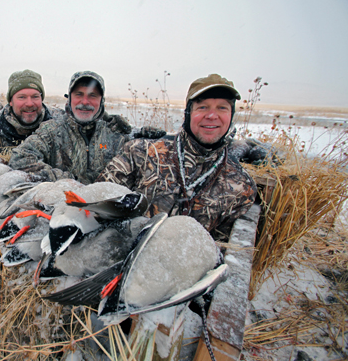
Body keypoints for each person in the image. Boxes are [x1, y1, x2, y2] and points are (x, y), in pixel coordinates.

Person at [97, 73, 257, 240]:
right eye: (203, 107)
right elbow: (97, 203)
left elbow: (219, 249)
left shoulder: (241, 187)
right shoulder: (139, 153)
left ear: (231, 115)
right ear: (188, 112)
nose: (211, 115)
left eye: (222, 108)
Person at [9, 71, 134, 184]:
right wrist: (70, 181)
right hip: (63, 204)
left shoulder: (117, 135)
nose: (85, 102)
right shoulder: (51, 131)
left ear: (102, 101)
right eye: (79, 94)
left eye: (92, 95)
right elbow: (20, 159)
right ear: (69, 99)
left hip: (108, 206)